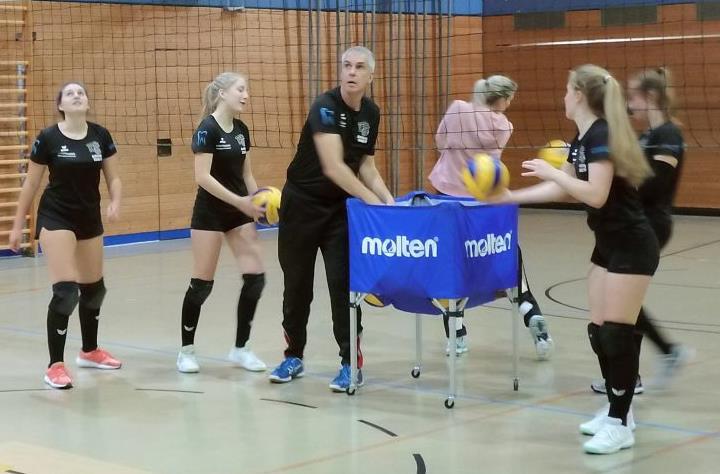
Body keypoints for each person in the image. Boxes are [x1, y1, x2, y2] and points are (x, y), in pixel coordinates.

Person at [491, 64, 658, 454]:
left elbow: (595, 194)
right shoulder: (582, 137)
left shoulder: (602, 135)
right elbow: (561, 190)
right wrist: (509, 198)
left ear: (580, 95)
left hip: (632, 244)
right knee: (599, 332)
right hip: (607, 243)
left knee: (617, 332)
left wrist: (554, 172)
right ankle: (619, 411)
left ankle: (620, 423)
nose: (564, 97)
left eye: (567, 90)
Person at [269, 46, 394, 392]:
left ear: (371, 75)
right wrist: (371, 201)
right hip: (301, 205)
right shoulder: (324, 106)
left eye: (359, 67)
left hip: (339, 211)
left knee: (343, 287)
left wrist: (388, 201)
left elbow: (366, 165)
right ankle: (293, 356)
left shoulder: (370, 112)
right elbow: (335, 167)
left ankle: (350, 364)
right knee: (297, 286)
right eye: (346, 65)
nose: (351, 72)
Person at [8, 82, 123, 389]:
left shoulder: (100, 136)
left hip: (89, 216)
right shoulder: (48, 138)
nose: (76, 96)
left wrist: (115, 201)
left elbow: (113, 177)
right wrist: (17, 225)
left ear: (87, 103)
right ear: (60, 105)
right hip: (56, 215)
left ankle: (89, 351)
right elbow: (31, 184)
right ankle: (55, 366)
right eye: (69, 93)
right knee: (66, 292)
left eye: (81, 93)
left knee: (94, 290)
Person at [430, 75, 553, 359]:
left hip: (448, 201)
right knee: (506, 256)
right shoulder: (504, 126)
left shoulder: (458, 109)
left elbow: (440, 142)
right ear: (505, 99)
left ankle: (457, 337)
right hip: (483, 201)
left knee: (451, 268)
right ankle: (530, 313)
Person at [590, 67, 692, 393]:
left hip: (650, 224)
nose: (629, 103)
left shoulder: (668, 135)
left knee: (621, 302)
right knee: (616, 299)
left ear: (650, 97)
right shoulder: (647, 135)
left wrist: (614, 181)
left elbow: (654, 185)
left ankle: (637, 373)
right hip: (630, 223)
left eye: (633, 96)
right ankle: (656, 358)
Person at [176, 72, 267, 374]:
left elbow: (246, 174)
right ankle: (186, 351)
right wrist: (240, 201)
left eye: (246, 90)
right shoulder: (207, 129)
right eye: (240, 89)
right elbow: (202, 177)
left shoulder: (241, 130)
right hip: (210, 213)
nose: (246, 95)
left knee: (256, 278)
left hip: (239, 211)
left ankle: (241, 349)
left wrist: (256, 200)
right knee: (201, 285)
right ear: (222, 93)